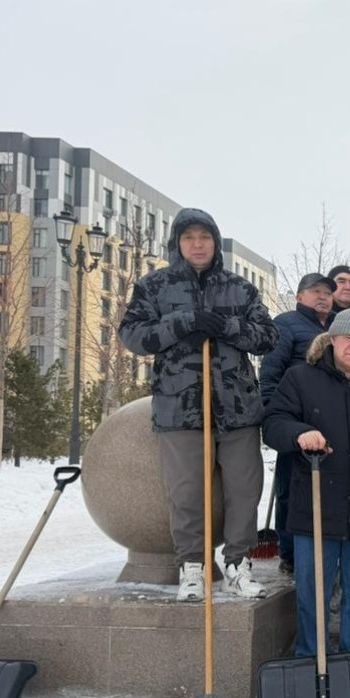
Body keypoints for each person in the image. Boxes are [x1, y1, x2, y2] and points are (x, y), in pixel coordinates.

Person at [118, 208, 278, 603]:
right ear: (177, 243)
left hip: (237, 408)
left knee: (244, 490)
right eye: (189, 237)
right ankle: (193, 566)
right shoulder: (155, 287)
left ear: (215, 241)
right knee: (186, 493)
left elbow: (267, 337)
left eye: (204, 237)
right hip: (180, 408)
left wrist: (226, 327)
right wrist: (183, 322)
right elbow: (133, 336)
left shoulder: (239, 288)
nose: (197, 244)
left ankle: (239, 564)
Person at [262, 310, 350, 654]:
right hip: (315, 509)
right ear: (332, 340)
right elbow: (274, 424)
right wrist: (300, 432)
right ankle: (311, 658)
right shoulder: (300, 378)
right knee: (313, 595)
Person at [259, 272, 338, 574]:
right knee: (291, 489)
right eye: (315, 291)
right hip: (294, 420)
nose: (322, 297)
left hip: (329, 419)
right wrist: (273, 413)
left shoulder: (335, 327)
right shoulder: (287, 324)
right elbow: (271, 372)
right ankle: (290, 552)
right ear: (300, 296)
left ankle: (322, 546)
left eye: (327, 293)